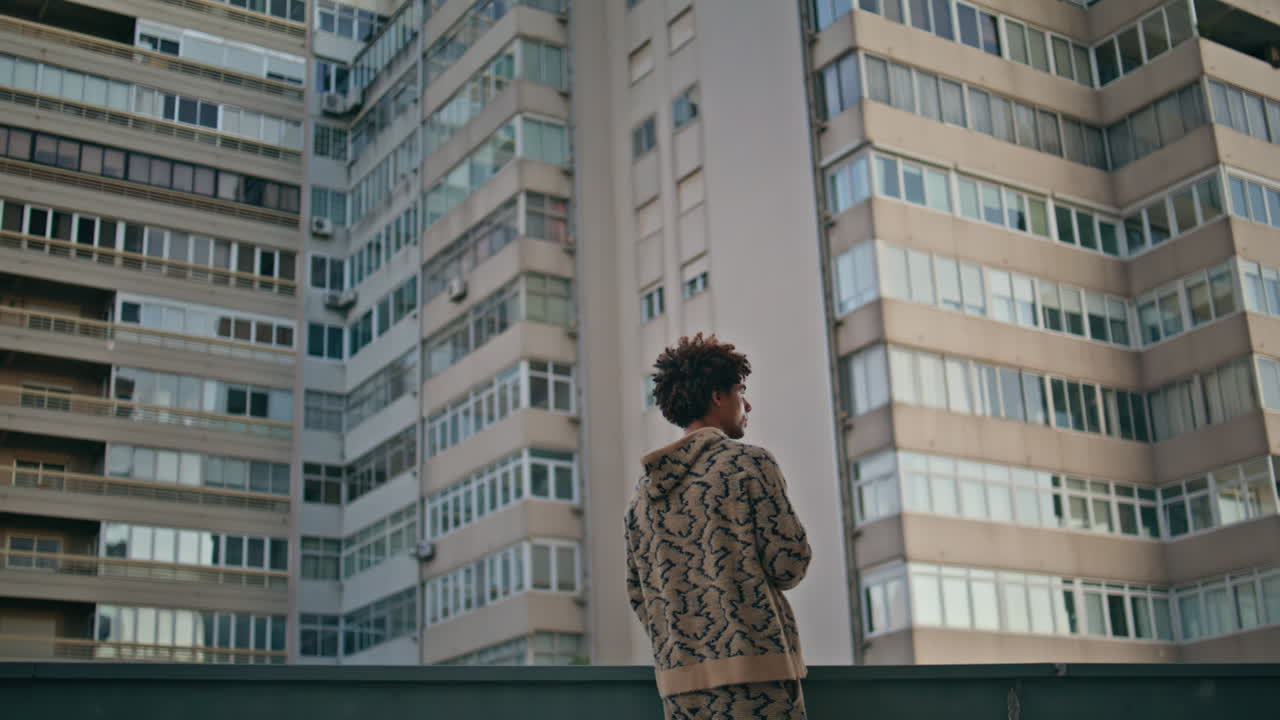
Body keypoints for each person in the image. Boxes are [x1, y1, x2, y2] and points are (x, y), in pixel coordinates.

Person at [624, 333, 812, 720]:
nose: (747, 404)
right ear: (717, 396)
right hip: (759, 683)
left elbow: (639, 594)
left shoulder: (642, 498)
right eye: (740, 391)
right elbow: (789, 564)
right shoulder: (749, 465)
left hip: (681, 691)